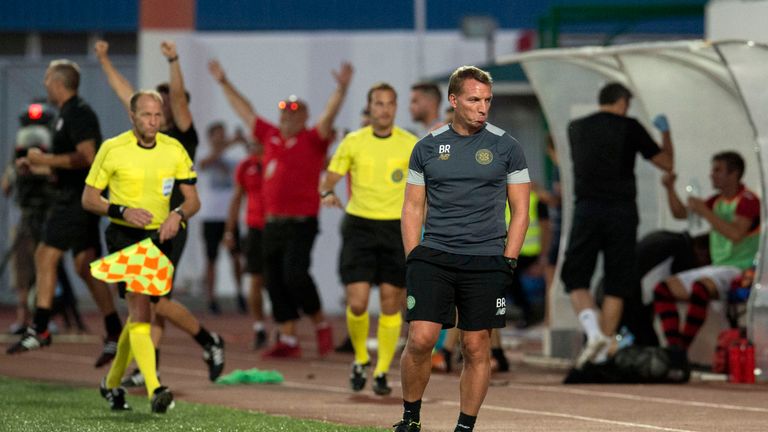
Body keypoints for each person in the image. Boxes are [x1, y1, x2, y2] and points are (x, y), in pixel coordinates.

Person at [396, 65, 530, 432]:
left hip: (487, 258)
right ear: (454, 100)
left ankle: (464, 427)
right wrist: (414, 256)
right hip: (434, 254)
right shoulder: (425, 147)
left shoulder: (507, 147)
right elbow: (411, 207)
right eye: (474, 99)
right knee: (421, 339)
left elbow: (521, 211)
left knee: (475, 347)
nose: (482, 107)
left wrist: (510, 260)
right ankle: (410, 418)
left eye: (487, 100)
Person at [95, 40, 224, 384]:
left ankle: (208, 341)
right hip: (138, 228)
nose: (157, 110)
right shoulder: (140, 137)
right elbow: (127, 95)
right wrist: (104, 60)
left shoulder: (182, 135)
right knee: (149, 302)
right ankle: (149, 367)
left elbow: (179, 97)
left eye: (162, 105)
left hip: (171, 225)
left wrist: (173, 60)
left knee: (156, 300)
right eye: (150, 108)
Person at [208, 59, 353, 358]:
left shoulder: (313, 140)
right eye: (284, 112)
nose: (288, 117)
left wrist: (341, 88)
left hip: (302, 222)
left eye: (295, 113)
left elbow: (329, 115)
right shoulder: (269, 136)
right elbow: (244, 110)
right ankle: (288, 338)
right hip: (270, 223)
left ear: (304, 117)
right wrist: (224, 82)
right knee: (273, 280)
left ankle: (320, 323)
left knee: (295, 274)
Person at [83, 90, 198, 413]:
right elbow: (89, 199)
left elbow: (193, 200)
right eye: (147, 115)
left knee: (139, 312)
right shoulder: (112, 149)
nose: (153, 121)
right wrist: (121, 211)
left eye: (158, 115)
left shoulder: (173, 148)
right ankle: (154, 388)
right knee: (140, 307)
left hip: (160, 238)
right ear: (132, 117)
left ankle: (111, 382)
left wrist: (178, 214)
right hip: (124, 234)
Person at [6, 60, 123, 368]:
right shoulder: (64, 115)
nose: (44, 83)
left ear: (58, 82)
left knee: (45, 254)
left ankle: (40, 327)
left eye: (47, 78)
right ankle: (114, 331)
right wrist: (37, 165)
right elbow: (69, 162)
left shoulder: (78, 113)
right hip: (75, 197)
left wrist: (47, 159)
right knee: (86, 266)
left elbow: (87, 157)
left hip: (76, 200)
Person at [560, 82, 673, 369]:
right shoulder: (630, 127)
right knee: (617, 282)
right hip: (622, 212)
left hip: (587, 208)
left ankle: (595, 336)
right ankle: (602, 349)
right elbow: (666, 163)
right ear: (622, 102)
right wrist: (666, 133)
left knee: (575, 278)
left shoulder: (576, 128)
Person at [319, 82, 417, 395]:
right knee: (358, 302)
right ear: (369, 107)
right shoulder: (353, 141)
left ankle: (381, 371)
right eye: (378, 103)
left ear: (395, 108)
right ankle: (361, 358)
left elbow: (425, 183)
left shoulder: (410, 144)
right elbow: (331, 177)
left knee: (391, 304)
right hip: (359, 226)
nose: (384, 109)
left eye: (389, 104)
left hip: (394, 229)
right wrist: (326, 192)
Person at [653, 151, 759, 353]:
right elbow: (680, 213)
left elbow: (736, 234)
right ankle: (673, 346)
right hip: (717, 268)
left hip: (739, 269)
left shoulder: (748, 200)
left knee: (700, 288)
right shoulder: (716, 201)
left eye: (717, 170)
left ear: (734, 173)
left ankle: (681, 349)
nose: (712, 175)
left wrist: (705, 212)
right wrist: (669, 188)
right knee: (663, 289)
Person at [198, 122, 248, 314]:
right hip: (210, 215)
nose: (221, 138)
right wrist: (230, 143)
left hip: (230, 216)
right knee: (211, 259)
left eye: (223, 134)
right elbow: (204, 164)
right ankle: (211, 298)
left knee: (236, 256)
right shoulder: (202, 153)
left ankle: (239, 293)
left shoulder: (234, 158)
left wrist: (242, 142)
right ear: (210, 137)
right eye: (217, 135)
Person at [224, 137, 269, 349]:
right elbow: (236, 198)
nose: (254, 146)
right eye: (251, 142)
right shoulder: (246, 166)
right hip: (254, 228)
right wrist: (229, 231)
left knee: (279, 281)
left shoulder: (275, 162)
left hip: (277, 227)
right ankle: (259, 327)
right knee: (255, 279)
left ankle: (284, 327)